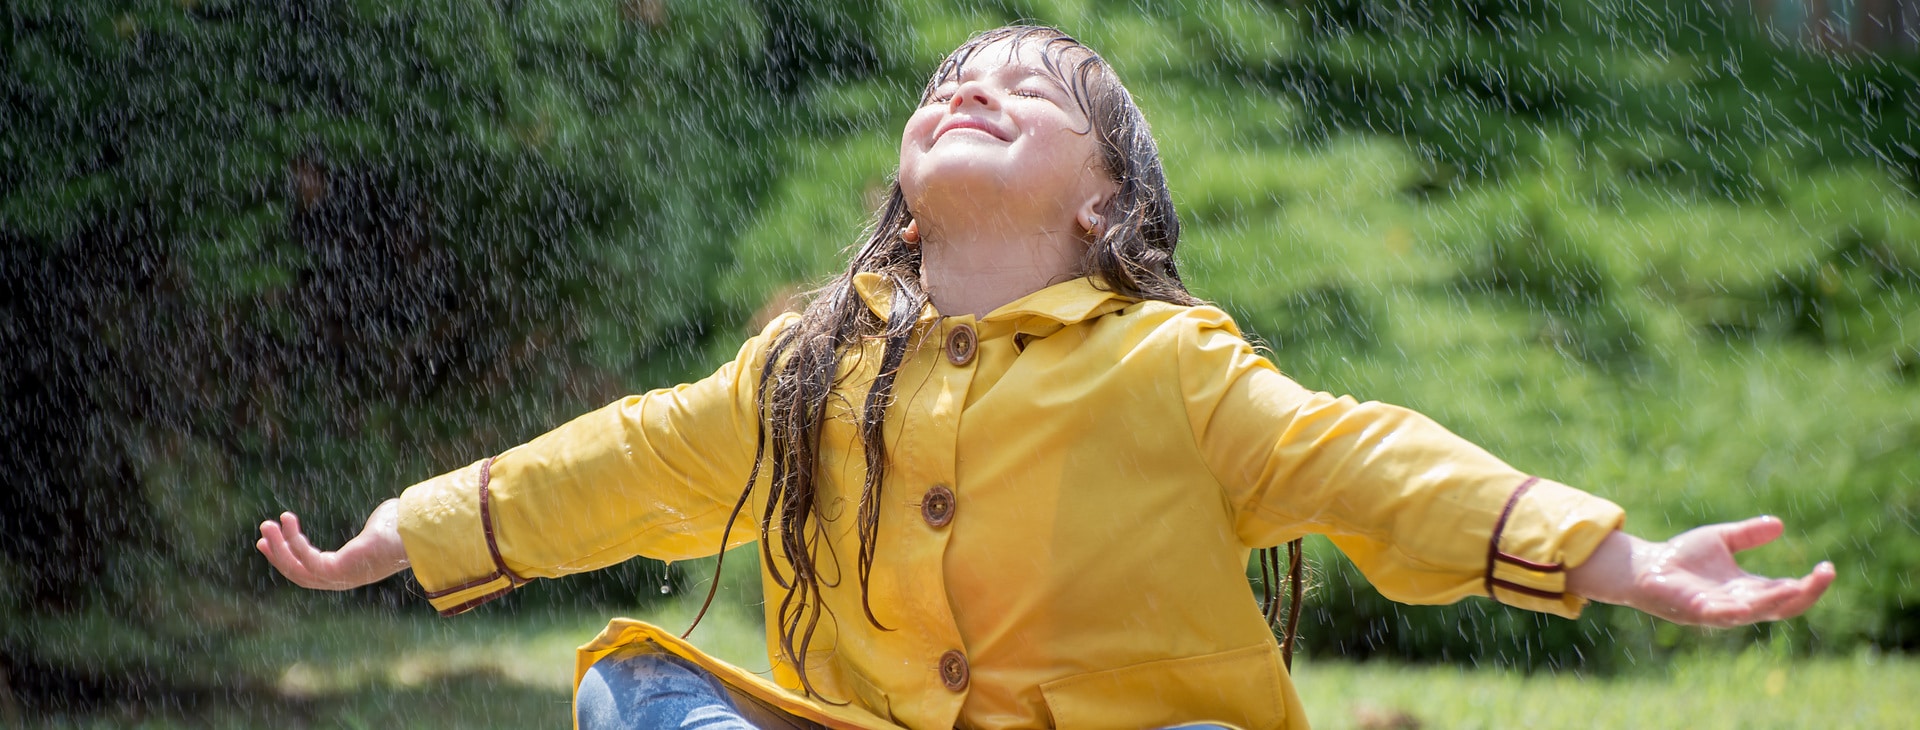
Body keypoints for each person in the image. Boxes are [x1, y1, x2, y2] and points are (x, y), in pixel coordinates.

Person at [257, 25, 1834, 730]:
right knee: (636, 692)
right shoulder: (811, 369)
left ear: (1107, 203)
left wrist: (1612, 554)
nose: (971, 83)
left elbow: (1372, 463)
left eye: (1026, 84)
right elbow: (624, 461)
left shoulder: (1174, 366)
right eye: (951, 78)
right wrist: (406, 526)